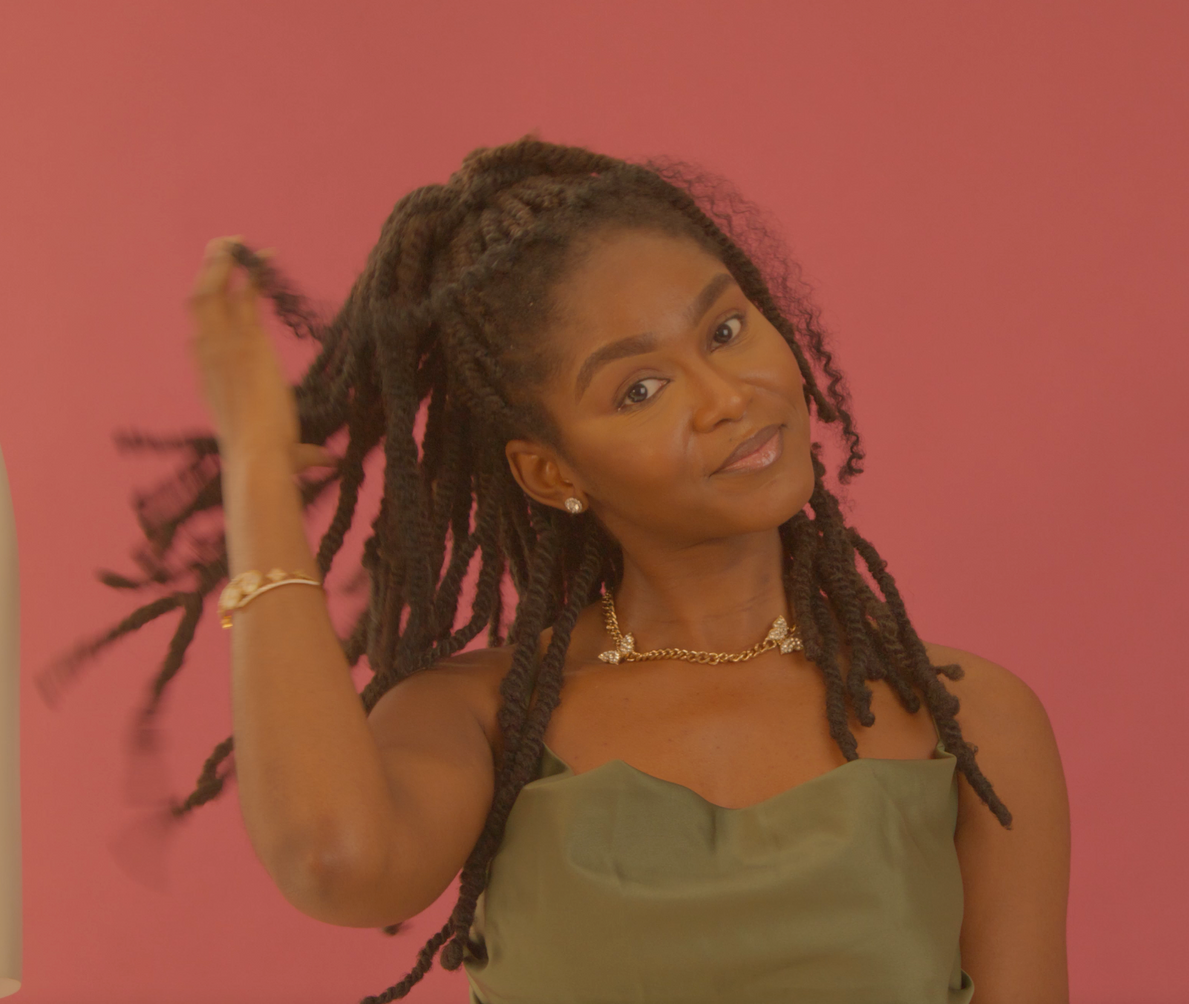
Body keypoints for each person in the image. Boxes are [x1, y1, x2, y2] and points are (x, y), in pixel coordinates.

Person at [72, 136, 1069, 1003]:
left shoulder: (970, 719)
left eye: (726, 329)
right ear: (551, 472)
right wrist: (254, 473)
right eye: (640, 387)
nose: (728, 396)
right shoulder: (482, 714)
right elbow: (335, 861)